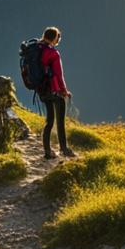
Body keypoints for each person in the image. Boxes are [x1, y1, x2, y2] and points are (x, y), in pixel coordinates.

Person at [38, 27, 76, 160]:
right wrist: (64, 91)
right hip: (54, 90)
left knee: (49, 121)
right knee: (60, 121)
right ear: (54, 38)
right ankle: (64, 149)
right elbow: (59, 75)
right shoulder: (53, 53)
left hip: (41, 89)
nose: (58, 40)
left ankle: (48, 151)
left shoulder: (37, 48)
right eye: (58, 38)